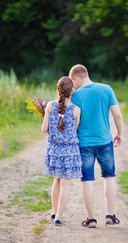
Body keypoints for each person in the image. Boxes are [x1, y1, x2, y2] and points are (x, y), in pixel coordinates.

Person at [68, 64, 123, 228]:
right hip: (104, 141)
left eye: (73, 81)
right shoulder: (106, 89)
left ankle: (91, 219)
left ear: (76, 78)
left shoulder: (76, 96)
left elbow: (73, 121)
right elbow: (117, 115)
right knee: (109, 176)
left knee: (87, 180)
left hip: (84, 144)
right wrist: (119, 133)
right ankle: (110, 216)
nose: (73, 85)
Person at [42, 76, 82, 226]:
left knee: (56, 180)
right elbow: (75, 130)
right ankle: (58, 216)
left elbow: (44, 129)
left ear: (58, 90)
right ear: (72, 90)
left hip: (54, 150)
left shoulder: (50, 106)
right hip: (70, 152)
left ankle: (53, 211)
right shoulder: (77, 110)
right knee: (66, 183)